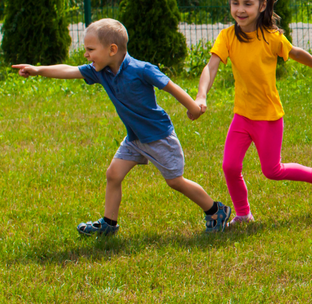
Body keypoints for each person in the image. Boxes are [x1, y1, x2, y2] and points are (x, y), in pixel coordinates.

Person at [12, 19, 231, 235]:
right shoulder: (100, 71)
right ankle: (109, 223)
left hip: (158, 137)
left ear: (112, 49)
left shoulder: (141, 69)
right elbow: (69, 70)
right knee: (113, 174)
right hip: (134, 138)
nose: (86, 54)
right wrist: (38, 70)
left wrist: (194, 107)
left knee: (175, 181)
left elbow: (170, 87)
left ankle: (215, 210)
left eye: (90, 49)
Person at [195, 0, 312, 225]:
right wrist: (201, 94)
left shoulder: (271, 37)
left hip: (268, 117)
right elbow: (211, 66)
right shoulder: (227, 36)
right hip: (242, 116)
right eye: (235, 3)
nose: (240, 10)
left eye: (247, 4)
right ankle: (243, 214)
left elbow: (294, 52)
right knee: (229, 167)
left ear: (261, 6)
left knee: (272, 171)